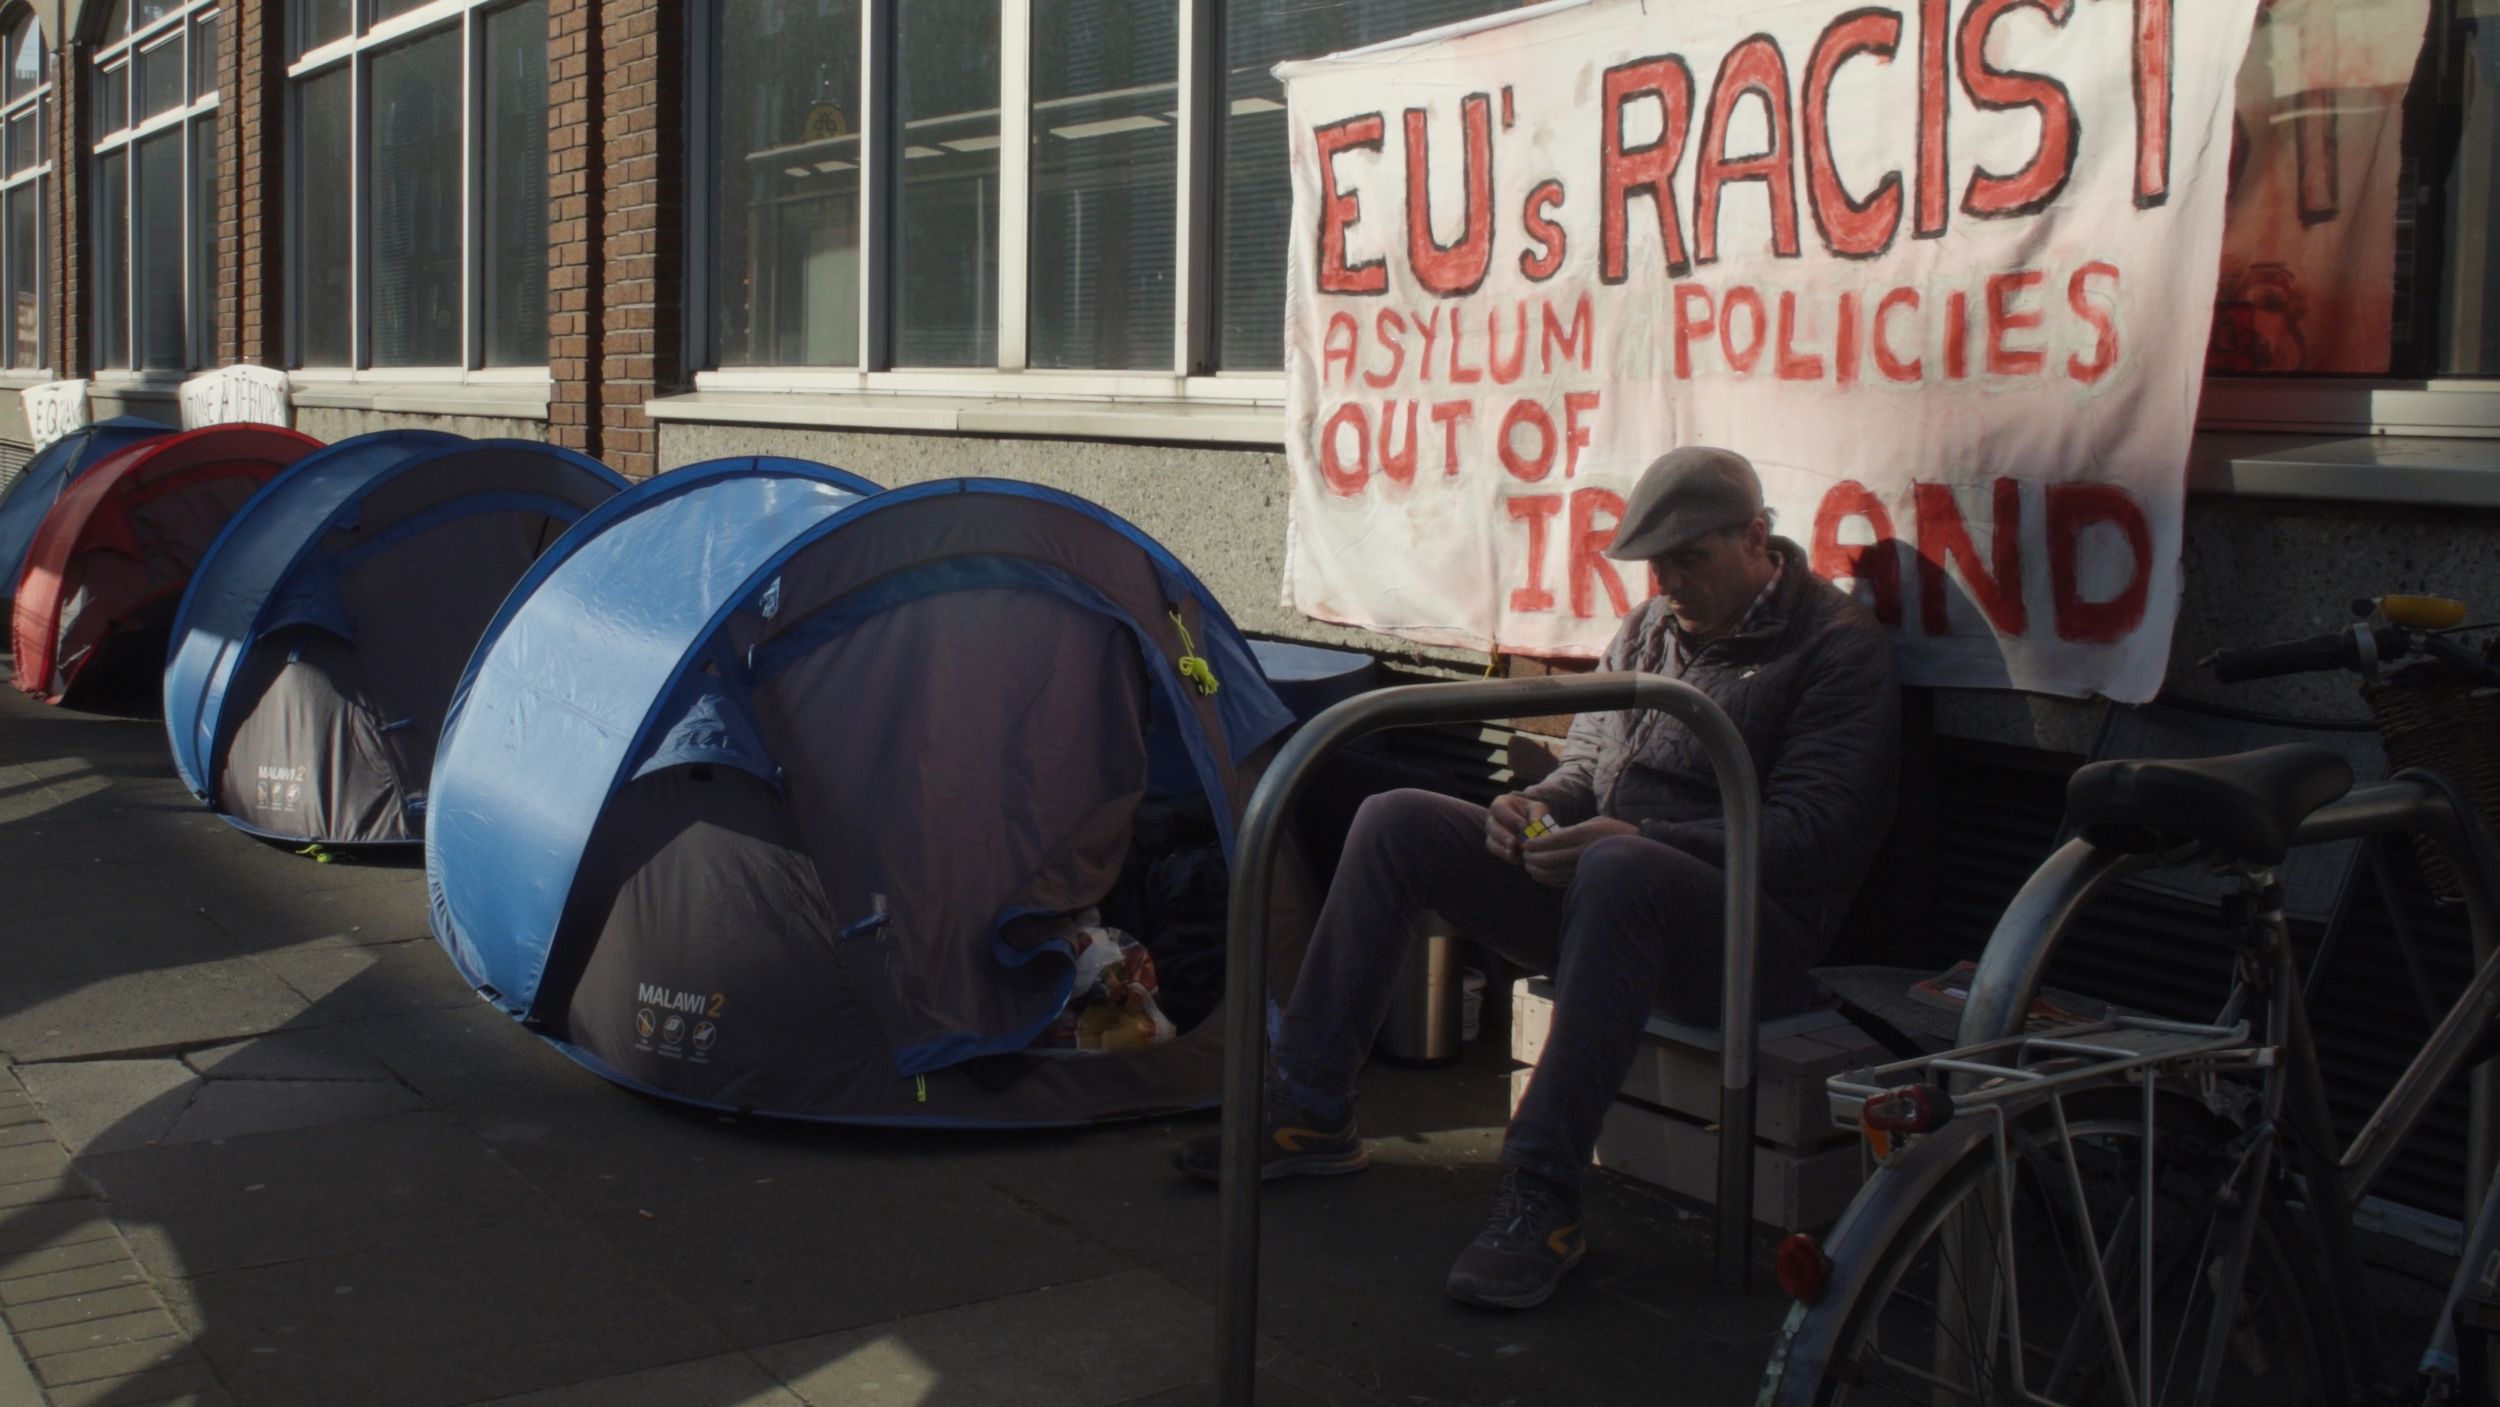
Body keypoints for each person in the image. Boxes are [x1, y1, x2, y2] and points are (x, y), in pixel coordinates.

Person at [1174, 446, 1900, 1310]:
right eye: (1655, 564)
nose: (1669, 581)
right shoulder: (1649, 627)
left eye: (1691, 559)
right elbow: (1588, 765)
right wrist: (1533, 805)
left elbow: (1811, 837)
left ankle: (1543, 1193)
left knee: (1621, 868)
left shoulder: (1838, 649)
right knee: (1395, 817)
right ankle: (1310, 1103)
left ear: (1756, 539)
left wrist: (1633, 833)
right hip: (1609, 886)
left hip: (1753, 935)